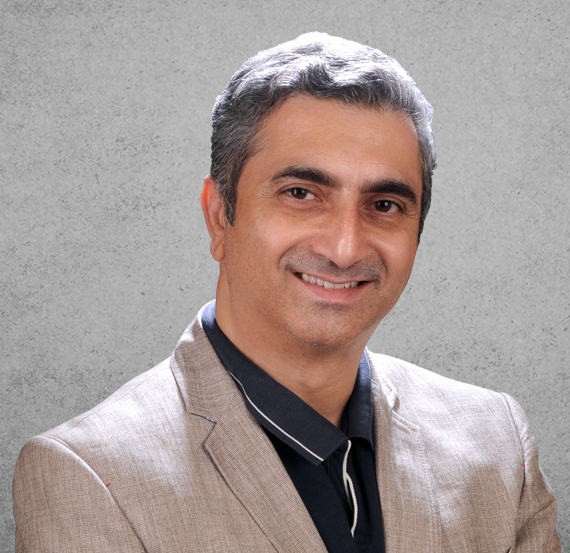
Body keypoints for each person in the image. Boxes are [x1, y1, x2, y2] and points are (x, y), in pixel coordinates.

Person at [13, 32, 560, 552]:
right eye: (301, 193)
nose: (345, 248)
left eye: (384, 205)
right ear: (219, 216)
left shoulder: (496, 440)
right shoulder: (90, 476)